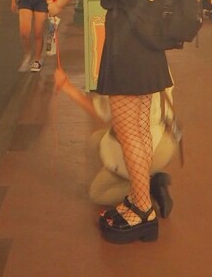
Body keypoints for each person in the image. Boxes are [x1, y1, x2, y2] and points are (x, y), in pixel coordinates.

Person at [47, 0, 172, 244]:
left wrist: (59, 3)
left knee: (128, 130)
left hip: (124, 50)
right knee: (140, 129)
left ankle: (143, 210)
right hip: (151, 50)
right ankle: (139, 197)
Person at [54, 68, 179, 216]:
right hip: (168, 139)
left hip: (148, 148)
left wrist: (67, 86)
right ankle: (145, 176)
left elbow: (100, 113)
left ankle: (148, 186)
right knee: (97, 139)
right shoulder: (156, 61)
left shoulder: (120, 70)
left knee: (98, 193)